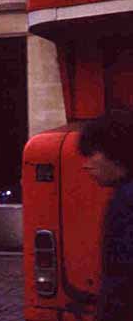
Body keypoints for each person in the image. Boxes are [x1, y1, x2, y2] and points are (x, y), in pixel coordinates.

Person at [78, 110, 133, 321]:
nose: (86, 164)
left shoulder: (126, 199)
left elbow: (121, 280)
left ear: (115, 152)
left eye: (92, 154)